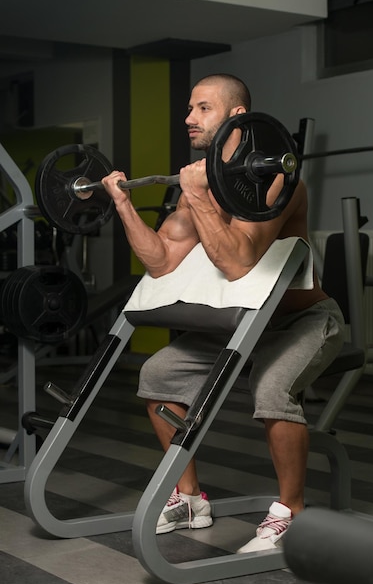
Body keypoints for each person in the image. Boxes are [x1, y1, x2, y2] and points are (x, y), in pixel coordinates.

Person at [101, 73, 345, 553]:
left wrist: (197, 196)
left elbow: (238, 261)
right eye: (189, 109)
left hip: (301, 321)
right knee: (159, 375)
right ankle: (189, 498)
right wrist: (124, 205)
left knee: (272, 389)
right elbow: (161, 260)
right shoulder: (202, 180)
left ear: (237, 115)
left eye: (202, 108)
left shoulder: (278, 179)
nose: (189, 119)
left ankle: (291, 513)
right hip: (238, 323)